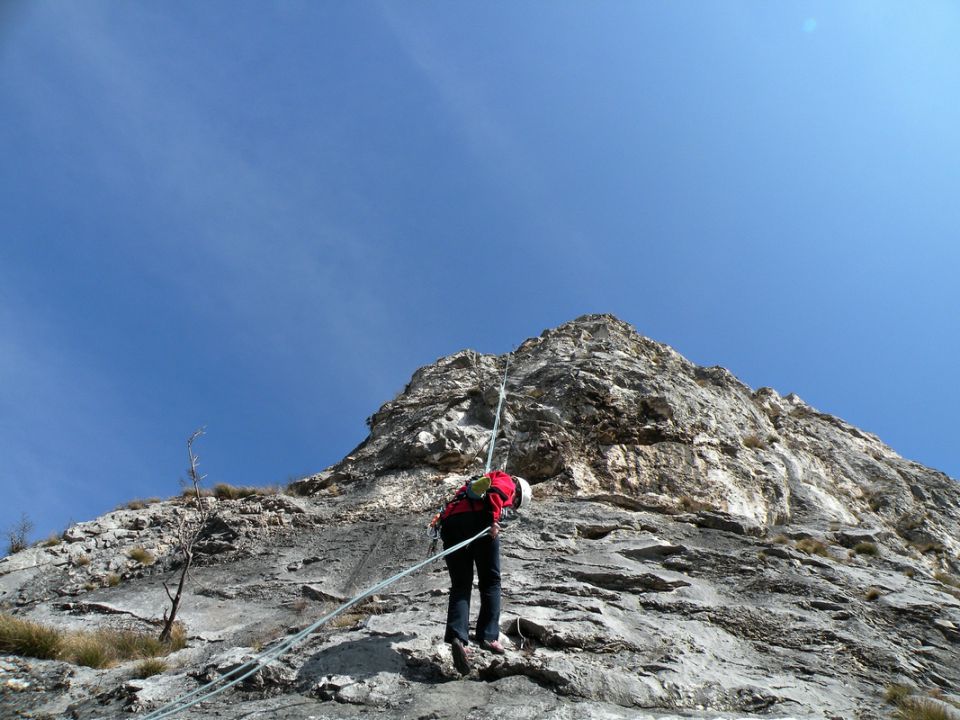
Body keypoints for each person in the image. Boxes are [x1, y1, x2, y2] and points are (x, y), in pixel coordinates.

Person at [437, 470, 517, 675]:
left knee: (461, 584)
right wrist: (494, 520)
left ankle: (458, 638)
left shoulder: (466, 488)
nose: (513, 505)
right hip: (478, 521)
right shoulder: (505, 479)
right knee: (491, 581)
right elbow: (497, 494)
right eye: (515, 502)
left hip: (450, 525)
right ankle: (489, 636)